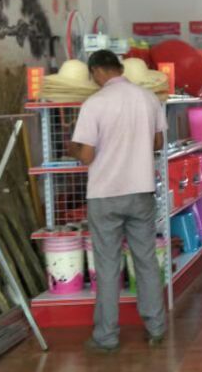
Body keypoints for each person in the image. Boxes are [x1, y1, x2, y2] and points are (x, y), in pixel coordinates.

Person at [69, 50, 167, 352]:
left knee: (108, 266)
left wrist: (72, 147)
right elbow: (158, 142)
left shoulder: (95, 103)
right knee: (146, 260)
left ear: (97, 71)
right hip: (141, 191)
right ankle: (156, 328)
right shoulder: (148, 98)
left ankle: (107, 336)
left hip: (105, 195)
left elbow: (87, 155)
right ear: (119, 68)